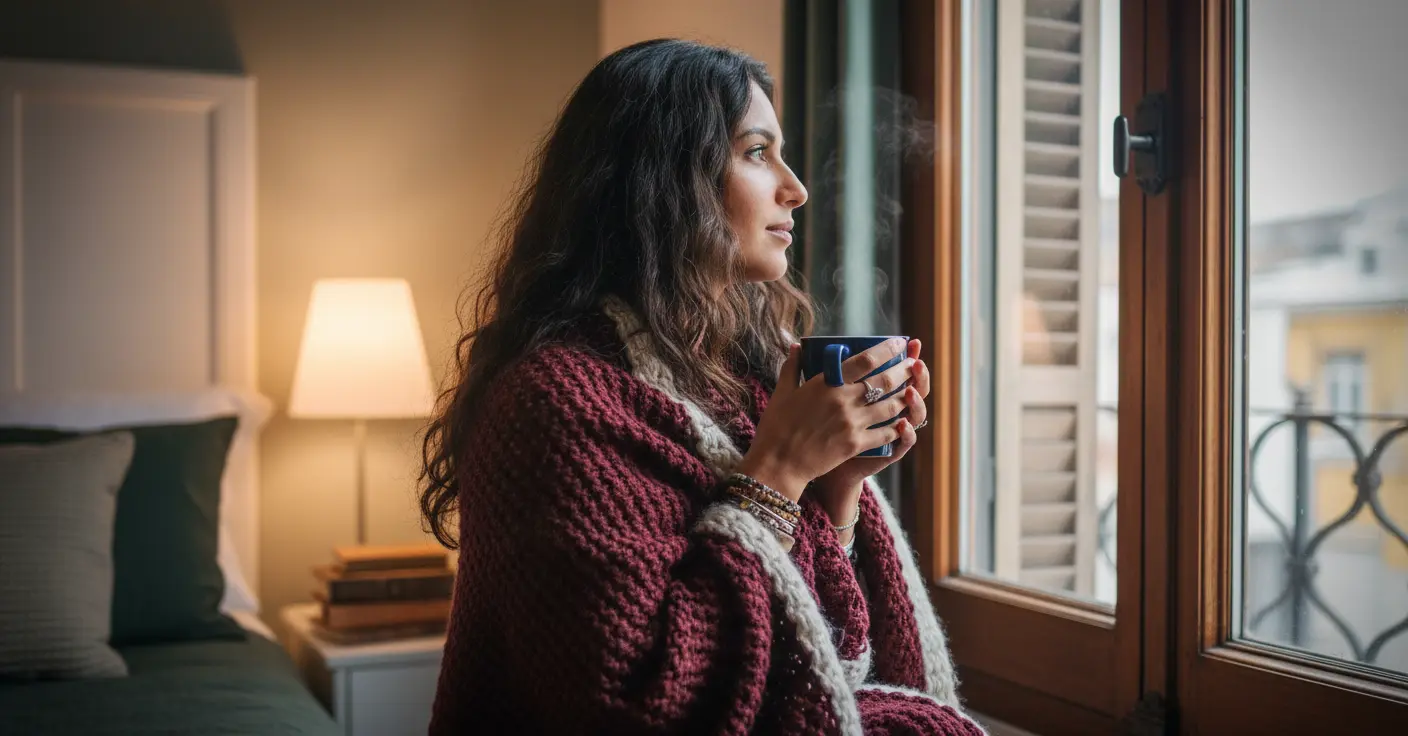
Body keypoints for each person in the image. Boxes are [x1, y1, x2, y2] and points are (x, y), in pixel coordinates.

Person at [419, 39, 984, 735]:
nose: (795, 187)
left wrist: (836, 487)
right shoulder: (551, 402)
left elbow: (833, 651)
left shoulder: (748, 378)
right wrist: (777, 473)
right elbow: (636, 699)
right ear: (662, 178)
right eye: (756, 152)